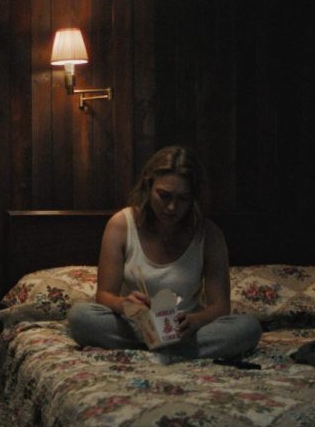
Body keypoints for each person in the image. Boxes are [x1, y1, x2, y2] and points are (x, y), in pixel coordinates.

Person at [67, 145, 261, 361]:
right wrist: (125, 305)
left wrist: (195, 320)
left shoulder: (209, 235)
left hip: (184, 331)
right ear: (148, 186)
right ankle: (169, 352)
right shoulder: (121, 225)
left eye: (183, 198)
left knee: (248, 327)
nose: (171, 207)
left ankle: (156, 350)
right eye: (164, 196)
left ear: (193, 198)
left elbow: (220, 307)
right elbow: (104, 295)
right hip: (135, 326)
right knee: (80, 316)